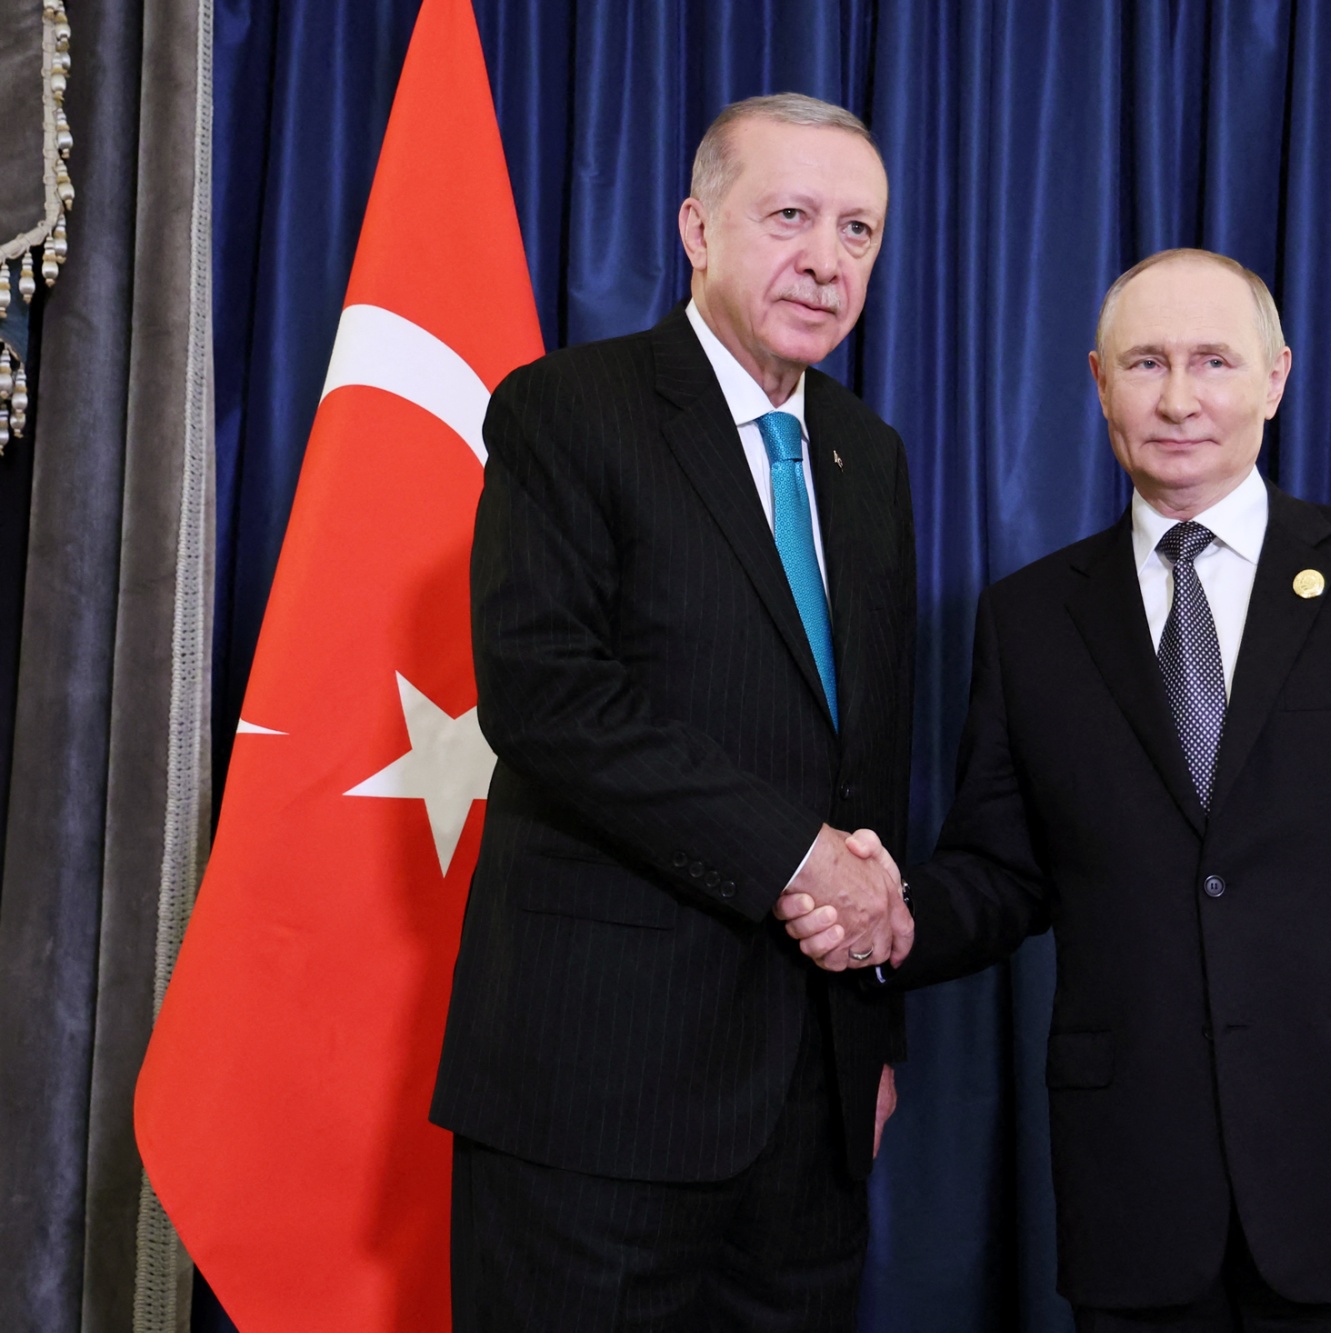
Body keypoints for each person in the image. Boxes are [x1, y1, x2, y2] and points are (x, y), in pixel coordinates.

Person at [783, 248, 1331, 1331]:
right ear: (1098, 382)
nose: (1178, 398)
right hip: (1137, 1190)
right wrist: (891, 919)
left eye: (1212, 362)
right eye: (1144, 363)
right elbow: (1002, 871)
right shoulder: (1030, 617)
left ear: (1273, 379)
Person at [432, 93, 915, 1332]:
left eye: (857, 230)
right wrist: (793, 856)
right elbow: (548, 698)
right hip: (599, 1083)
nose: (826, 258)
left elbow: (862, 762)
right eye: (790, 217)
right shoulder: (565, 411)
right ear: (697, 229)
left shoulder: (871, 456)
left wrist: (866, 1027)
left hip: (809, 1099)